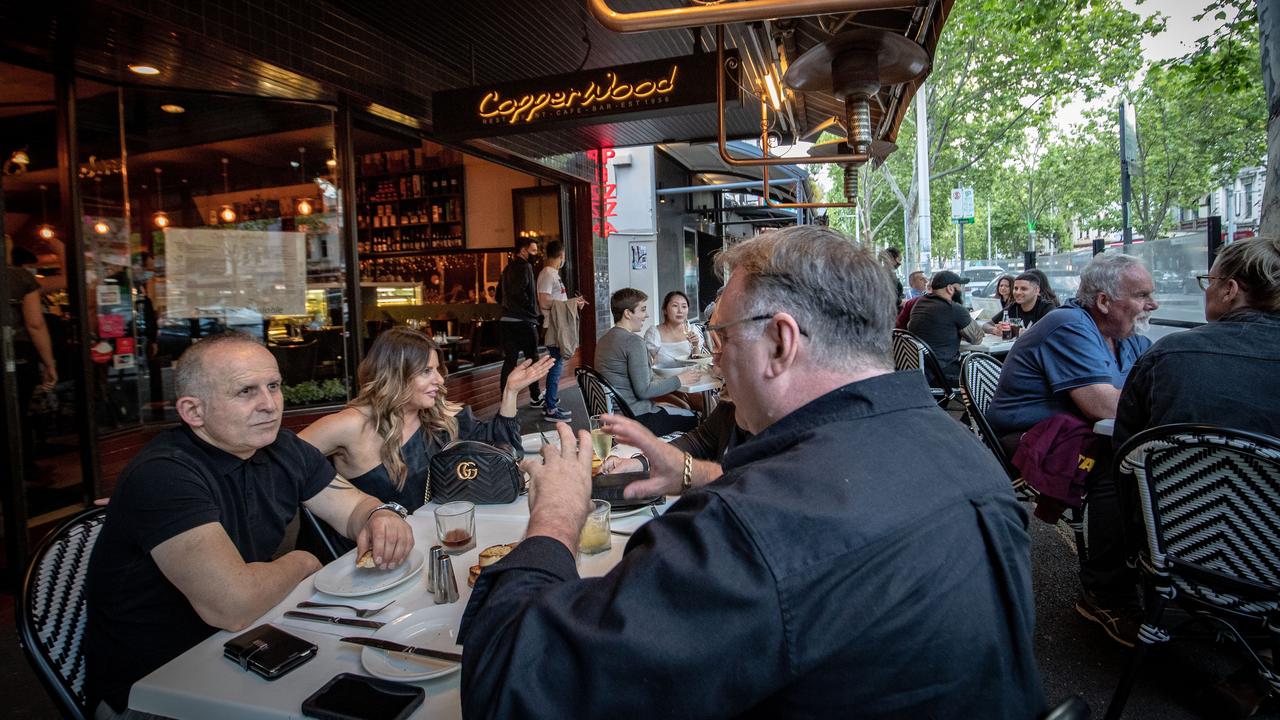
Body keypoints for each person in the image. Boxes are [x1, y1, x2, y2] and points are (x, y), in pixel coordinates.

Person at [458, 226, 1044, 719]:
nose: (713, 356)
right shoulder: (963, 451)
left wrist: (557, 514)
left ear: (781, 342)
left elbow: (515, 684)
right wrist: (696, 474)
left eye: (720, 336)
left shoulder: (749, 527)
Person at [85, 333, 415, 718]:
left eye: (273, 386)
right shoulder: (164, 474)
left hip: (252, 645)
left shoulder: (281, 447)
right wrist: (306, 562)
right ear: (194, 411)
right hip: (158, 688)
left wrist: (380, 515)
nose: (270, 405)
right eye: (246, 391)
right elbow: (233, 605)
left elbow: (351, 506)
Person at [986, 253, 1157, 646]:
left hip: (1075, 433)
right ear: (1103, 302)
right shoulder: (1069, 325)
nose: (1153, 304)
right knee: (1119, 462)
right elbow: (1106, 406)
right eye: (1143, 294)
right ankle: (1105, 593)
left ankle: (1143, 565)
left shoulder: (1125, 337)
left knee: (1136, 453)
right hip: (1030, 438)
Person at [300, 327, 552, 513]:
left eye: (436, 370)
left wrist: (510, 393)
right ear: (395, 374)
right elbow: (282, 463)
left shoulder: (437, 417)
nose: (440, 380)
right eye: (426, 371)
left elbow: (503, 454)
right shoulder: (351, 425)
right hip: (366, 559)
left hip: (429, 538)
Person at [1115, 237, 1280, 445]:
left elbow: (1127, 447)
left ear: (1230, 290)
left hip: (1171, 476)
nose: (1207, 291)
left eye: (1209, 281)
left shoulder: (1167, 354)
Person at [594, 288, 699, 435]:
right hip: (636, 419)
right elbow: (644, 391)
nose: (646, 315)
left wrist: (653, 404)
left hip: (615, 415)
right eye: (642, 310)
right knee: (698, 419)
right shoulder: (633, 342)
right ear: (627, 313)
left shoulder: (605, 339)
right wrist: (680, 379)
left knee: (677, 408)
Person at [6, 242, 58, 481]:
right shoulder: (19, 277)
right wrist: (49, 363)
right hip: (17, 352)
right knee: (17, 412)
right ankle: (24, 468)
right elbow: (35, 324)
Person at [535, 240, 586, 423]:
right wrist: (570, 304)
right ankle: (550, 407)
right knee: (556, 367)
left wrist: (572, 302)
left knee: (557, 365)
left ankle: (551, 403)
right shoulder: (548, 273)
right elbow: (544, 301)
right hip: (554, 326)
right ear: (562, 254)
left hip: (558, 324)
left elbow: (555, 300)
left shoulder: (553, 274)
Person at [906, 270, 983, 386]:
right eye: (959, 287)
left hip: (918, 371)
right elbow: (977, 338)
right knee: (985, 373)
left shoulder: (919, 303)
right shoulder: (954, 308)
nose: (961, 290)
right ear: (950, 289)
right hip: (941, 373)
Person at [497, 236, 543, 407]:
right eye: (533, 251)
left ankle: (505, 398)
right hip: (523, 321)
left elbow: (498, 296)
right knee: (532, 359)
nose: (536, 254)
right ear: (523, 250)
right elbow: (519, 292)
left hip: (506, 321)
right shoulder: (525, 267)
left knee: (510, 360)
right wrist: (532, 311)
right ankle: (535, 397)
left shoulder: (507, 268)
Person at [644, 290, 706, 364]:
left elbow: (698, 363)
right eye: (675, 306)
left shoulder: (692, 330)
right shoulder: (654, 333)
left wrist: (695, 345)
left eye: (684, 306)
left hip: (691, 374)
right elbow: (647, 362)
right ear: (665, 310)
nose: (680, 311)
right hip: (666, 375)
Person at [984, 272, 1055, 335]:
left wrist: (1029, 333)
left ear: (1037, 290)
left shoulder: (1047, 308)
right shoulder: (1013, 307)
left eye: (1023, 289)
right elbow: (986, 325)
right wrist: (995, 330)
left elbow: (1054, 331)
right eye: (1015, 288)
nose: (1018, 292)